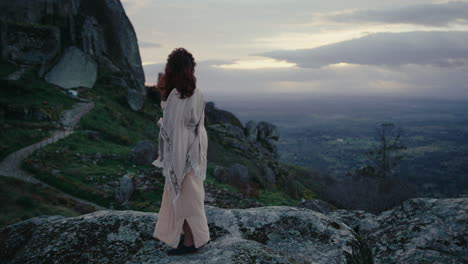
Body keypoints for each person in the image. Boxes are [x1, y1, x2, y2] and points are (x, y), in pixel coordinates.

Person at [152, 48, 210, 255]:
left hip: (182, 151)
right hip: (195, 149)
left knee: (184, 197)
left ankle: (191, 242)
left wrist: (161, 121)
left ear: (172, 70)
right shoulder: (198, 93)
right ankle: (196, 237)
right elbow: (189, 122)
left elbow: (171, 127)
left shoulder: (177, 96)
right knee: (191, 196)